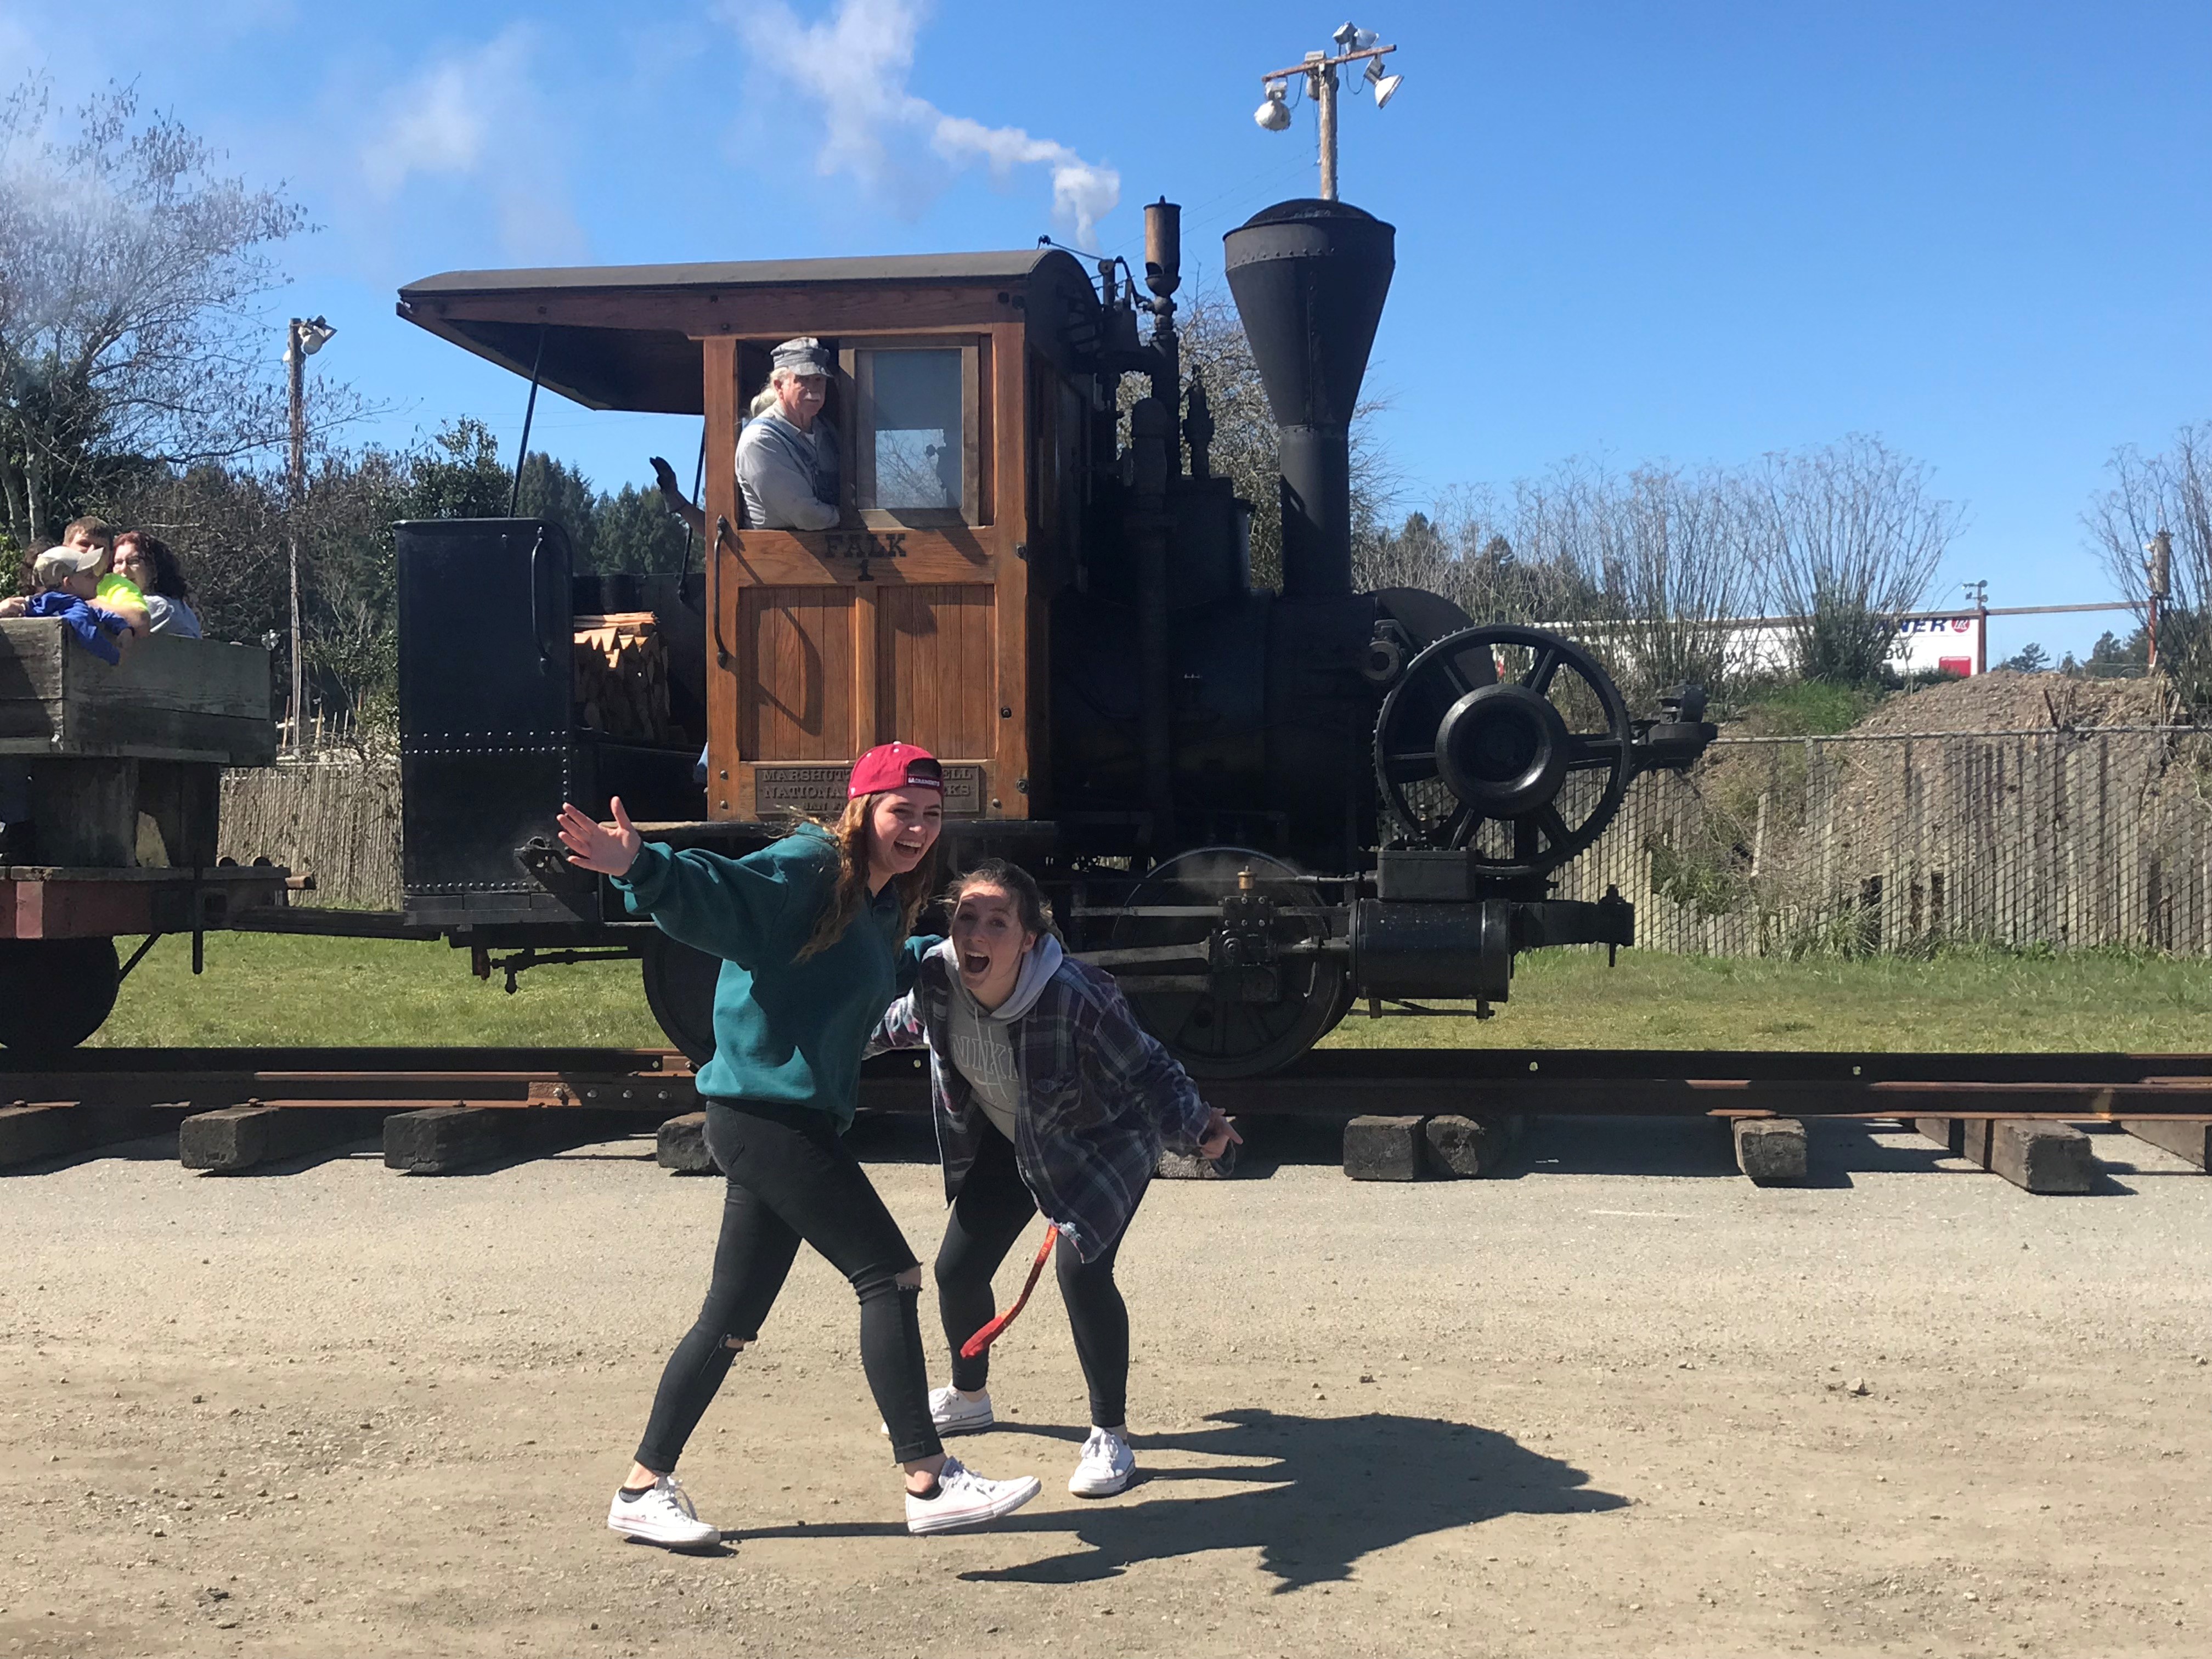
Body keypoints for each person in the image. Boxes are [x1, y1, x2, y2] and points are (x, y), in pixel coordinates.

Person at [555, 742, 1042, 1548]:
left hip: (791, 1119)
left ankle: (642, 1488)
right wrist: (641, 864)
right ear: (864, 810)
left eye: (930, 815)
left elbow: (879, 968)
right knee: (889, 1276)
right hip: (763, 1119)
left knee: (732, 1319)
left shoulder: (879, 897)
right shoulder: (813, 864)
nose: (917, 828)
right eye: (900, 812)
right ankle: (929, 1477)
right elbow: (729, 894)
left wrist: (953, 955)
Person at [871, 858, 1242, 1499]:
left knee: (1081, 1268)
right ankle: (969, 1396)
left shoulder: (1076, 994)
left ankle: (1111, 1437)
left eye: (997, 921)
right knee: (957, 1271)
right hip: (1017, 1138)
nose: (976, 934)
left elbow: (1151, 1071)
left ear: (1029, 940)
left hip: (1104, 1145)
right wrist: (817, 1051)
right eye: (966, 918)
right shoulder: (938, 976)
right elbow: (897, 1025)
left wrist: (1200, 1131)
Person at [651, 337, 841, 535]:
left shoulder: (826, 433)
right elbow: (807, 515)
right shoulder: (761, 441)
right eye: (803, 379)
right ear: (779, 386)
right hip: (774, 562)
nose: (814, 388)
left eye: (819, 379)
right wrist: (854, 517)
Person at [111, 531, 203, 637]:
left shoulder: (157, 606)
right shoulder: (179, 605)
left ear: (154, 567)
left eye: (133, 561)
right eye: (118, 562)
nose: (123, 569)